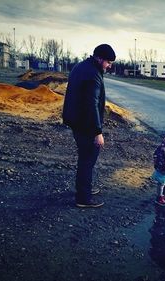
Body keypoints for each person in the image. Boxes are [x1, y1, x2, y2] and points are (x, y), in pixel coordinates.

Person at [62, 44, 116, 208]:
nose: (109, 66)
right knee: (88, 159)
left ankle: (84, 189)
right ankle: (83, 198)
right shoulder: (93, 74)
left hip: (76, 120)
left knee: (85, 158)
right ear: (99, 58)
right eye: (108, 62)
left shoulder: (82, 66)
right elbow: (91, 105)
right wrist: (97, 132)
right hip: (84, 124)